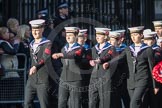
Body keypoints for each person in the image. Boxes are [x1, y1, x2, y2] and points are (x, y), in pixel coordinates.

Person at [103, 26, 156, 108]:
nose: (133, 37)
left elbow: (152, 68)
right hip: (130, 81)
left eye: (135, 34)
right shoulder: (128, 49)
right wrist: (109, 63)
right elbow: (119, 58)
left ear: (141, 35)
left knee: (133, 103)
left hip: (142, 79)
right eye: (132, 35)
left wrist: (155, 85)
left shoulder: (148, 50)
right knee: (138, 104)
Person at [52, 27, 87, 108]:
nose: (68, 37)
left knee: (75, 103)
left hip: (75, 79)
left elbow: (74, 55)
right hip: (64, 78)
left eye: (70, 35)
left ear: (76, 36)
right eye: (67, 35)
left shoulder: (80, 48)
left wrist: (61, 55)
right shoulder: (64, 48)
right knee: (61, 103)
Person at [88, 27, 120, 108]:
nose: (97, 37)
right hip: (94, 77)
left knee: (104, 101)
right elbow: (88, 58)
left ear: (105, 37)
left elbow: (113, 59)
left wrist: (105, 62)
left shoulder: (111, 48)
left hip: (105, 77)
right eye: (96, 35)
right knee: (92, 101)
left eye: (99, 35)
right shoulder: (94, 48)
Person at [24, 19, 52, 108]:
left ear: (42, 29)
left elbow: (45, 57)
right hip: (32, 79)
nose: (35, 32)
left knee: (44, 105)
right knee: (27, 103)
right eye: (33, 30)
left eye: (37, 29)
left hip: (43, 79)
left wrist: (35, 67)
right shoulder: (31, 43)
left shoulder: (47, 43)